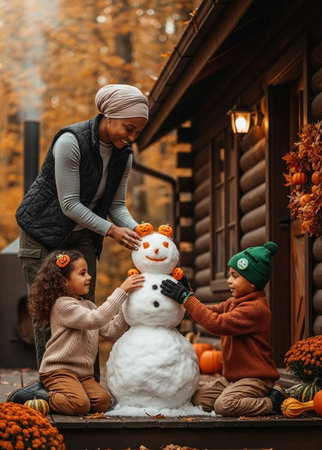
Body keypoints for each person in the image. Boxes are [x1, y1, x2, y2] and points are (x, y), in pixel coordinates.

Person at [15, 84, 148, 376]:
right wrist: (112, 231)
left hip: (81, 236)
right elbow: (69, 204)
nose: (131, 137)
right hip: (42, 233)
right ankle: (51, 385)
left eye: (137, 132)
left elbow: (117, 205)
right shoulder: (70, 142)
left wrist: (144, 234)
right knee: (45, 314)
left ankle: (90, 382)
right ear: (109, 116)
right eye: (129, 128)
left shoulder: (124, 155)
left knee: (87, 309)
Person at [8, 249, 145, 415]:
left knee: (103, 402)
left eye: (87, 272)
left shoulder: (88, 306)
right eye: (82, 273)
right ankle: (41, 395)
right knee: (79, 405)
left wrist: (127, 302)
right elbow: (96, 319)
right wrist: (121, 291)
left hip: (83, 375)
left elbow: (112, 331)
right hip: (58, 371)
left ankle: (68, 395)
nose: (89, 277)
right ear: (65, 281)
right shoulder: (62, 305)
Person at [160, 242, 288, 416]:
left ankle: (272, 402)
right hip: (232, 379)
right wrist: (186, 291)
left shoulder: (255, 309)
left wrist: (185, 298)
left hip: (255, 378)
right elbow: (207, 312)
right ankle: (245, 396)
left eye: (235, 276)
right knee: (199, 400)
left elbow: (215, 323)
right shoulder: (233, 303)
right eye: (230, 275)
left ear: (252, 282)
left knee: (224, 405)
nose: (229, 281)